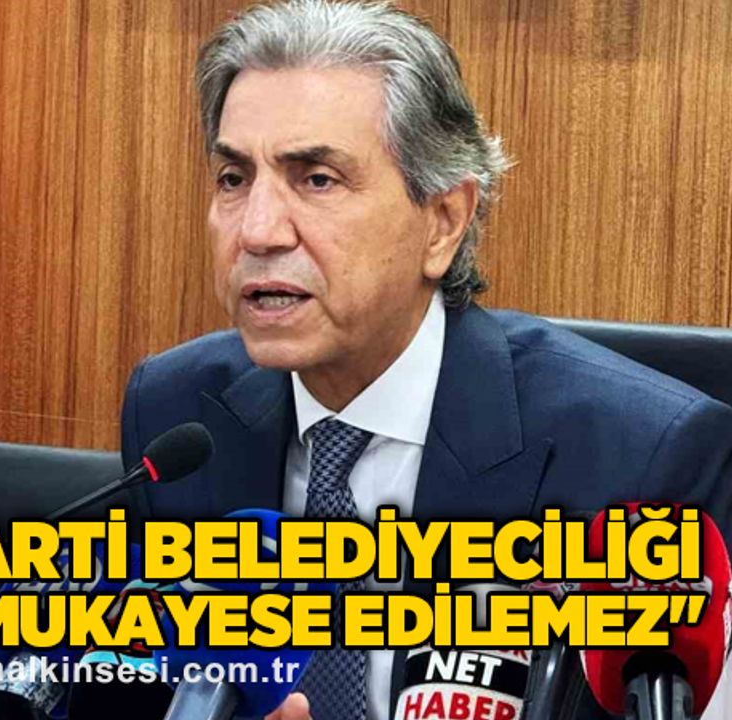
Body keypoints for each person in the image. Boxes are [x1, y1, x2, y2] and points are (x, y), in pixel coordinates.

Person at [119, 2, 732, 719]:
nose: (257, 230)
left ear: (443, 222)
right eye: (233, 178)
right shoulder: (175, 417)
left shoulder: (643, 459)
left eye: (317, 179)